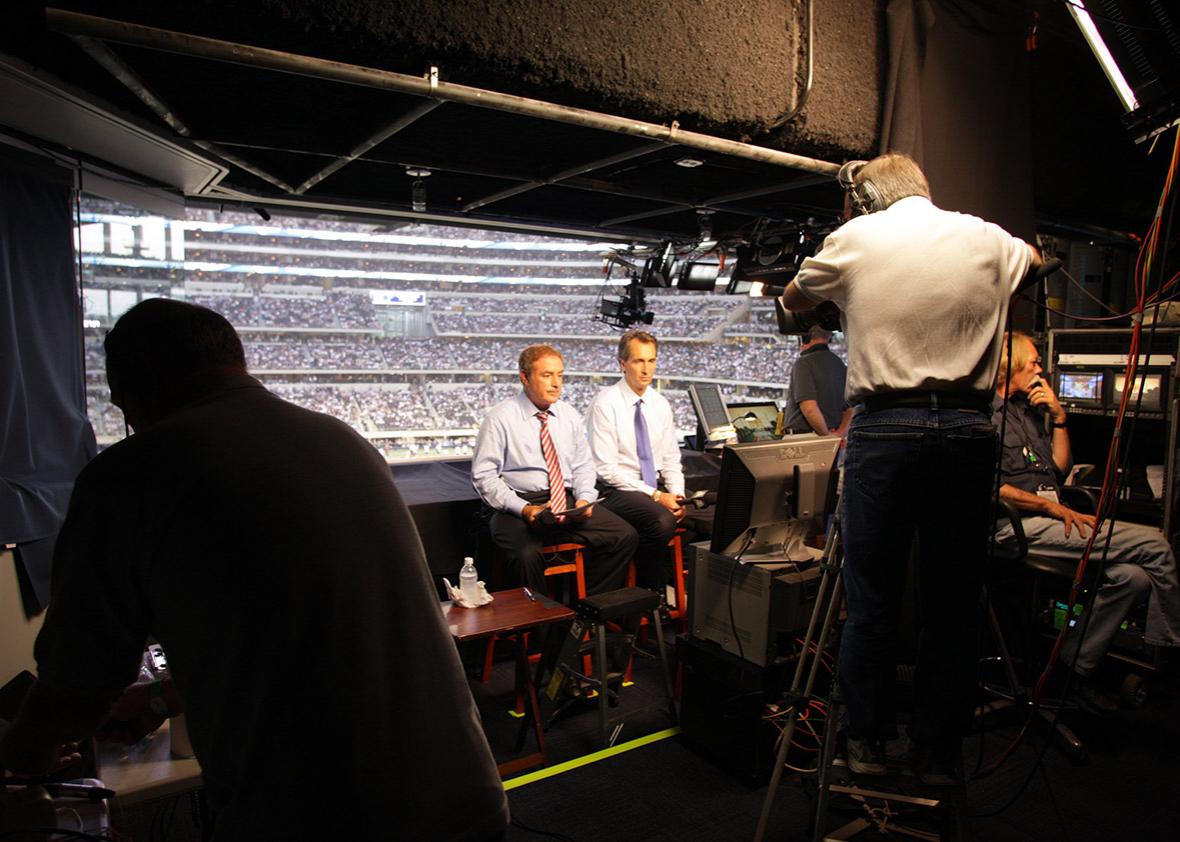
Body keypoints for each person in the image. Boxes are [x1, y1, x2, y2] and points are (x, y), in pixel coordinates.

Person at [0, 299, 509, 842]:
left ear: (128, 391)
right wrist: (157, 700)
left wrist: (21, 757)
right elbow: (299, 633)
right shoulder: (344, 442)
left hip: (327, 816)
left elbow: (78, 679)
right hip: (462, 794)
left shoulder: (130, 474)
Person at [778, 151, 1041, 784]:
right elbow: (1033, 261)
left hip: (886, 430)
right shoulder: (984, 235)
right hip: (968, 431)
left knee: (870, 602)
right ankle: (936, 753)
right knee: (952, 605)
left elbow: (792, 300)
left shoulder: (857, 236)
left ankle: (864, 744)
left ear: (866, 200)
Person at [993, 331, 1180, 710]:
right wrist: (1050, 508)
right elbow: (989, 486)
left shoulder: (1026, 411)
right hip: (1013, 526)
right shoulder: (983, 414)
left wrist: (1059, 419)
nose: (1041, 369)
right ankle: (1171, 663)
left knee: (1134, 577)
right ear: (1008, 365)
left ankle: (1068, 670)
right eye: (1033, 362)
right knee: (1156, 544)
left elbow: (1058, 472)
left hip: (1048, 516)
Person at [472, 344, 636, 596]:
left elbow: (583, 465)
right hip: (521, 504)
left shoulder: (569, 415)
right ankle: (540, 629)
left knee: (624, 536)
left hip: (567, 501)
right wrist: (524, 509)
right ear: (525, 378)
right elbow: (484, 477)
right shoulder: (500, 419)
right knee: (526, 555)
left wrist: (584, 498)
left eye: (560, 375)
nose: (556, 383)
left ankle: (583, 615)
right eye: (547, 375)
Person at [585, 330, 685, 596]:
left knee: (689, 514)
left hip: (651, 488)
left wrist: (677, 494)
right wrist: (655, 495)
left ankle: (667, 590)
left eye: (651, 361)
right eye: (639, 361)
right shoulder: (605, 404)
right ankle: (650, 593)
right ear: (622, 364)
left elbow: (671, 458)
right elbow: (605, 469)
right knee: (661, 521)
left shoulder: (659, 403)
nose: (646, 369)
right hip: (613, 490)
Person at [783, 325, 851, 437]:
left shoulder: (804, 363)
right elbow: (850, 409)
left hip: (805, 437)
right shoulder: (839, 363)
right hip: (834, 436)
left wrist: (826, 436)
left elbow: (809, 408)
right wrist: (840, 433)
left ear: (804, 338)